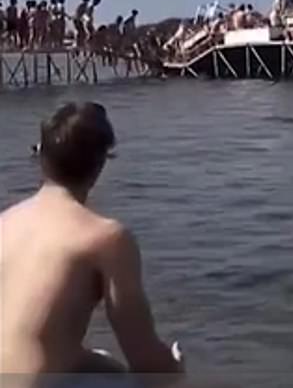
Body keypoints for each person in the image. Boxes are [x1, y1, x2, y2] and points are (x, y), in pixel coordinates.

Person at [0, 102, 184, 379]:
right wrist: (174, 367)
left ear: (42, 157)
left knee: (102, 366)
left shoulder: (6, 222)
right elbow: (145, 359)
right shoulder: (106, 239)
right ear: (99, 165)